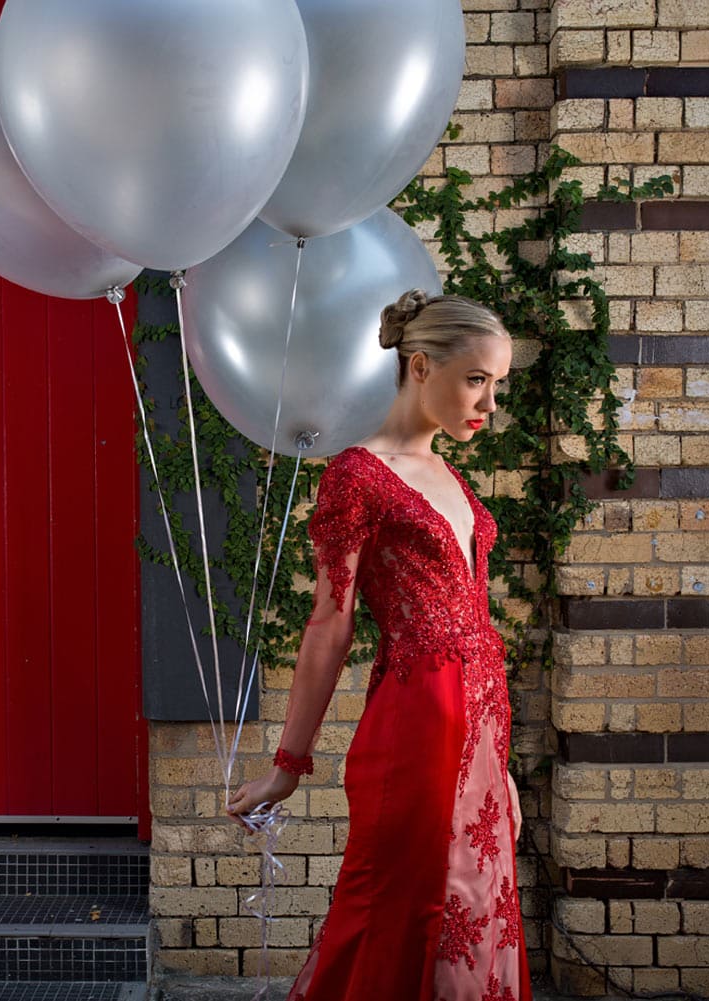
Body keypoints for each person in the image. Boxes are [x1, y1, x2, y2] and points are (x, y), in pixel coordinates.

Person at [225, 289, 530, 1001]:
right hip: (418, 724)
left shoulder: (454, 478)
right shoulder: (357, 476)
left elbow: (475, 625)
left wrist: (498, 767)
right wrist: (286, 766)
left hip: (479, 731)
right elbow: (329, 626)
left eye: (498, 383)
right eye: (476, 380)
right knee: (401, 914)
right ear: (420, 366)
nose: (488, 403)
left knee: (475, 917)